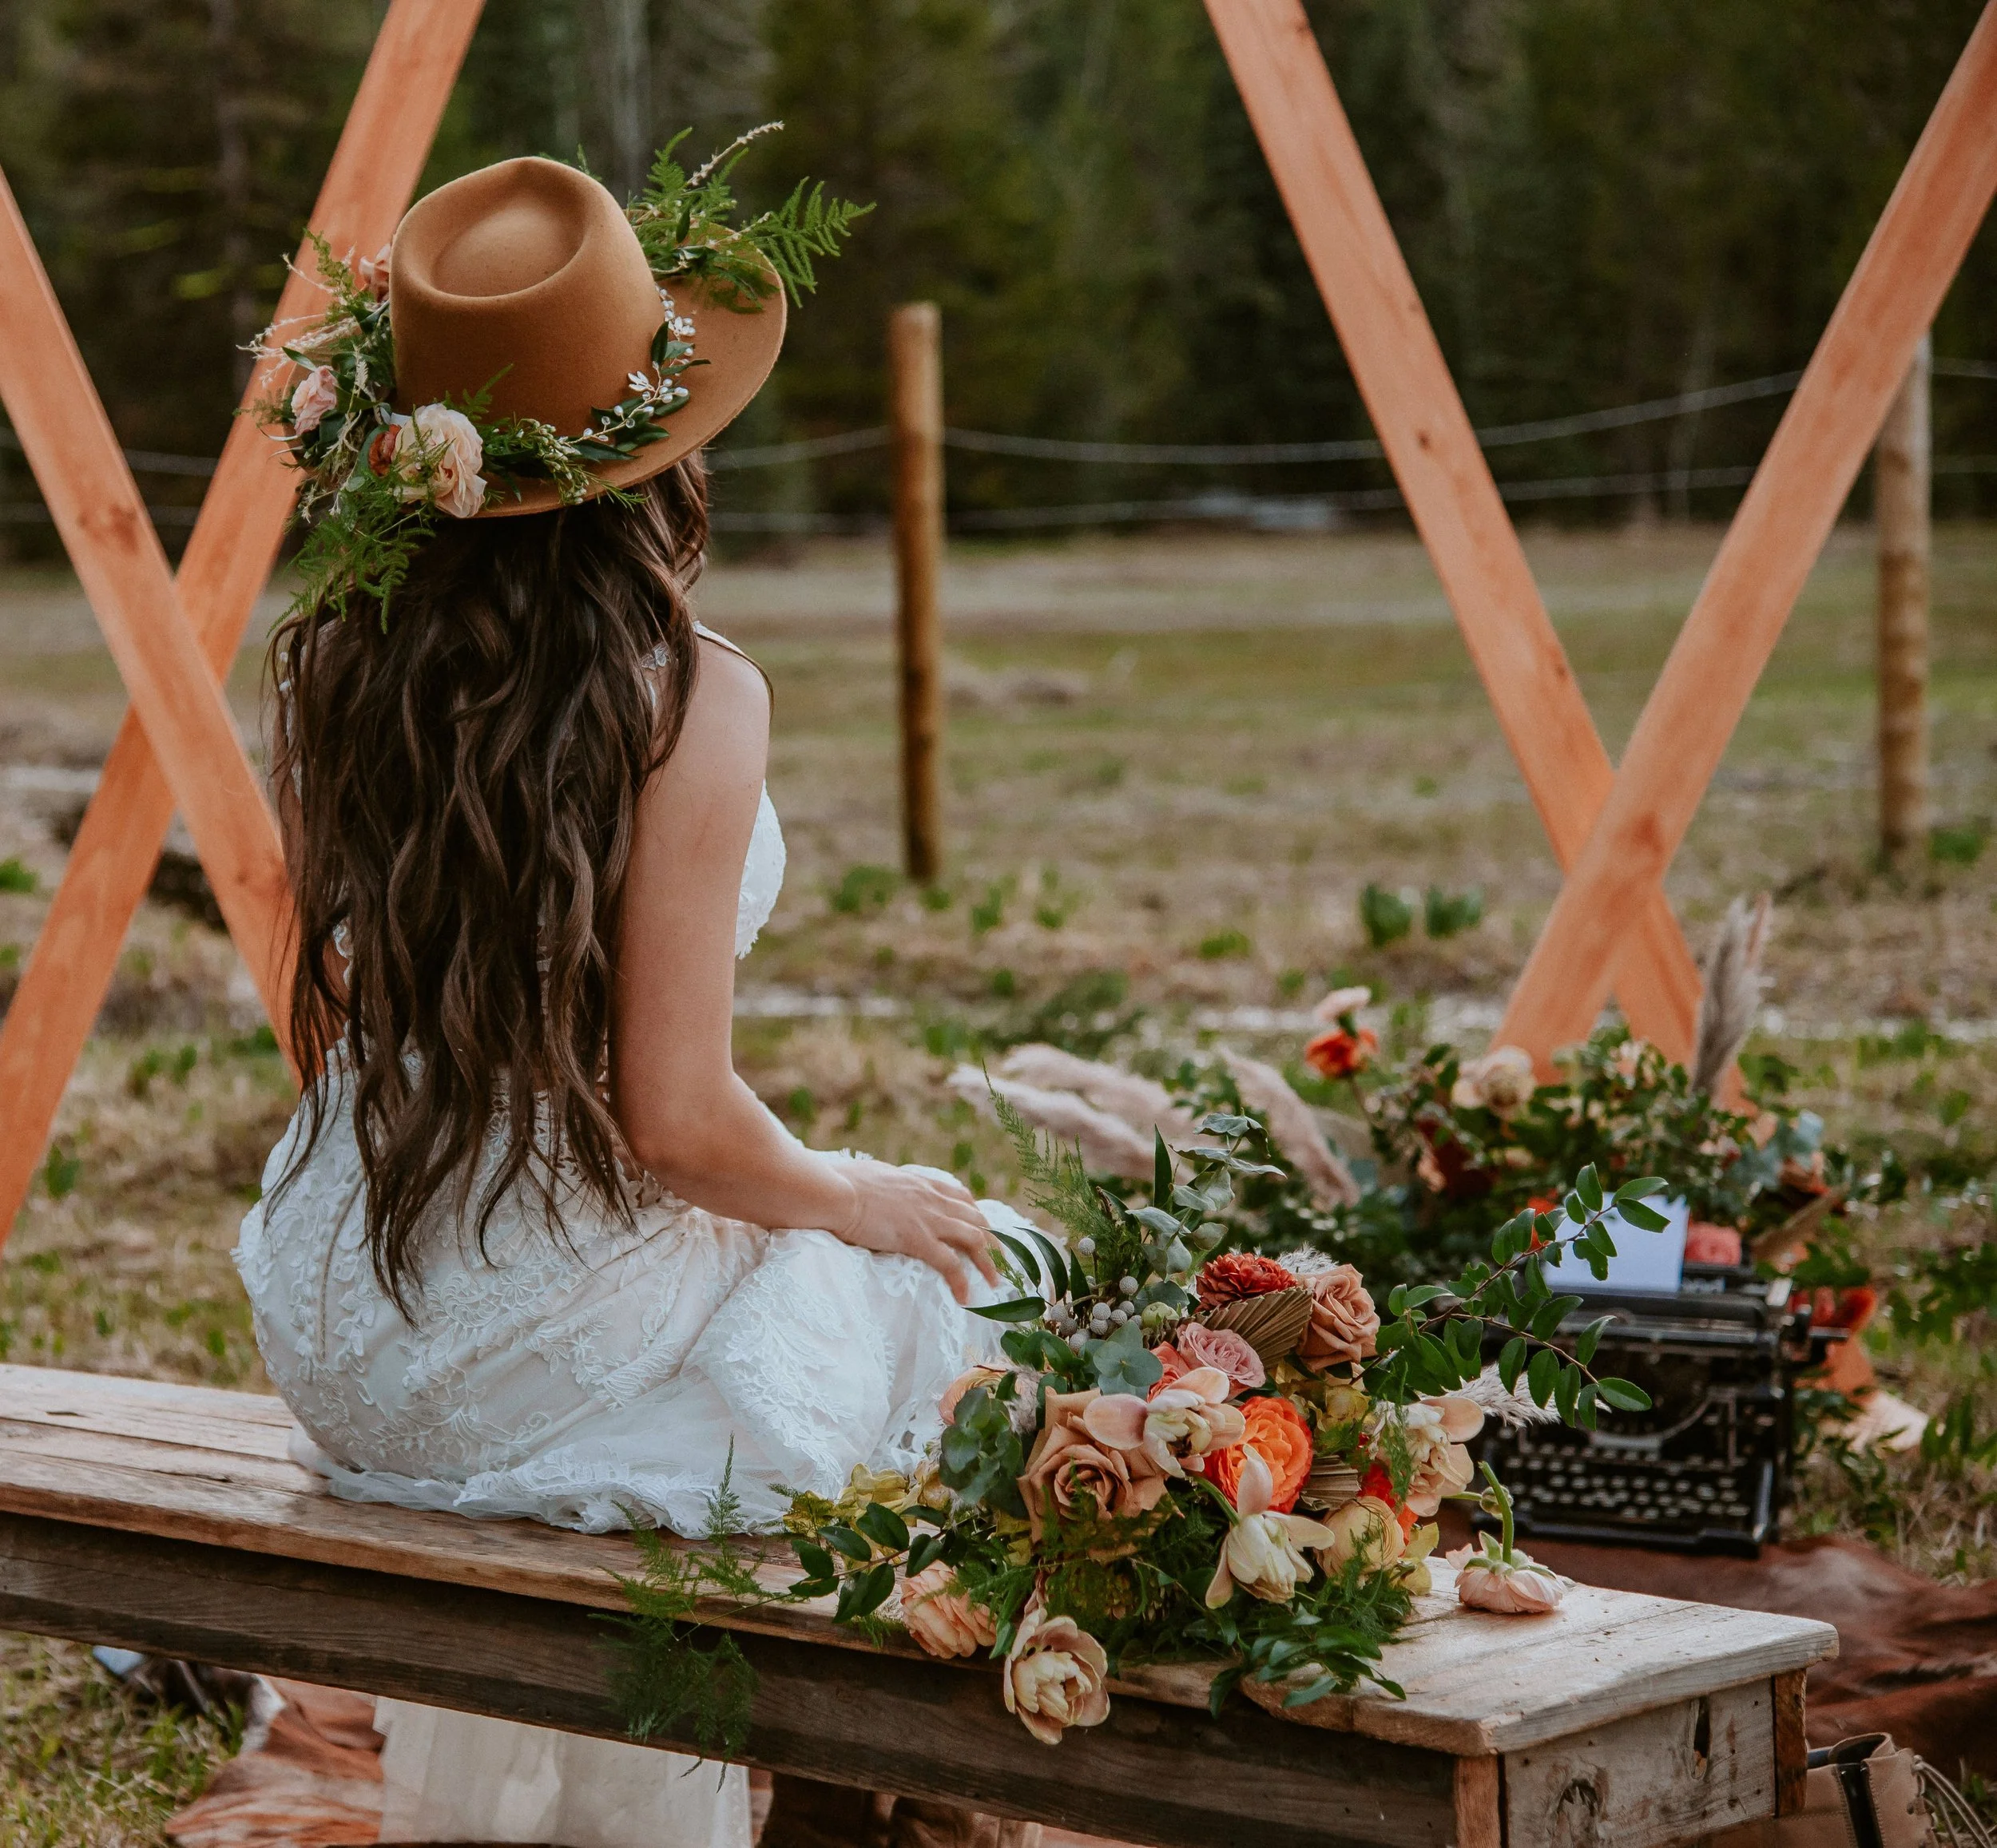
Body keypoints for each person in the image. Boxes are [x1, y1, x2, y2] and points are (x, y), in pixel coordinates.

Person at [235, 152, 1026, 1848]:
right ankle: (873, 1809)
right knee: (975, 1291)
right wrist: (858, 1196)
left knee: (835, 1276)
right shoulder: (688, 697)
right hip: (527, 1329)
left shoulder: (337, 660)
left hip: (346, 1316)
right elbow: (673, 1124)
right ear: (656, 442)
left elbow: (370, 1027)